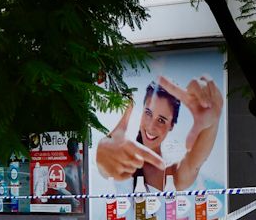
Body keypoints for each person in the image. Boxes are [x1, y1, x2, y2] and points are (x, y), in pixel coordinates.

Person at [95, 75, 223, 190]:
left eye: (161, 120)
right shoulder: (123, 160)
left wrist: (212, 123)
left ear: (171, 125)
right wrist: (102, 156)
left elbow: (194, 163)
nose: (151, 126)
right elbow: (105, 169)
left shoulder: (171, 174)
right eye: (148, 113)